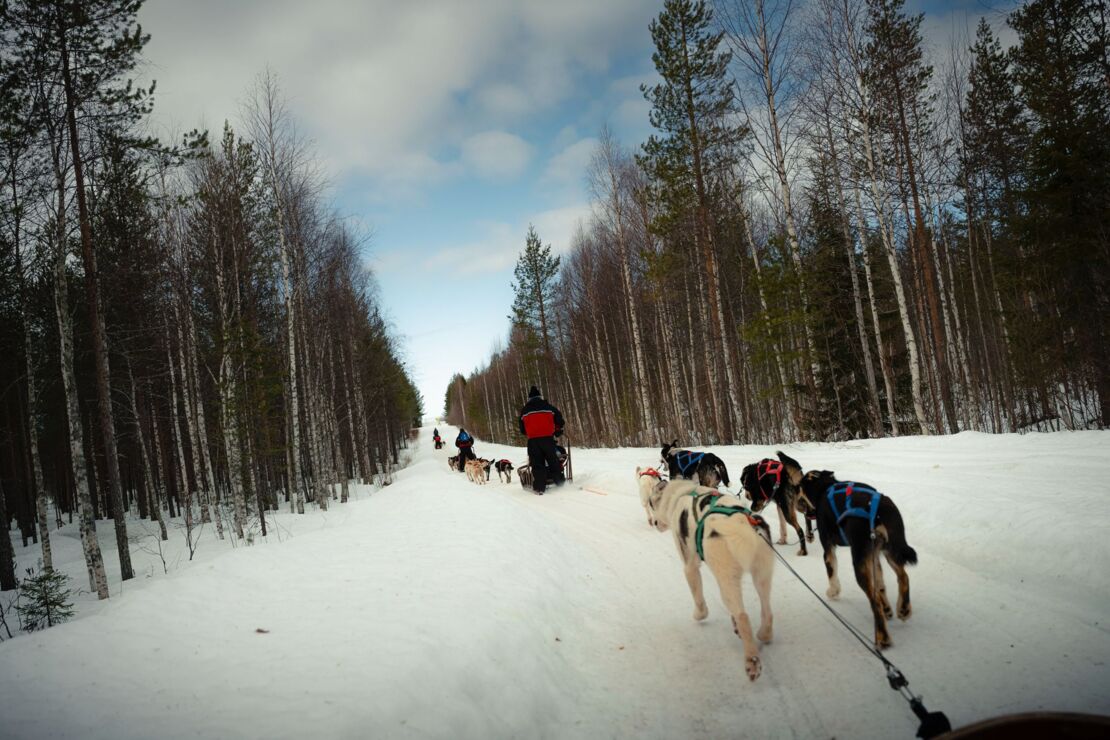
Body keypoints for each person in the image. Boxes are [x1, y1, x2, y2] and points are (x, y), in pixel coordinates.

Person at [518, 386, 565, 494]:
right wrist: (557, 430)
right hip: (548, 439)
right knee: (553, 461)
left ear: (529, 399)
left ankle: (539, 488)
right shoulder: (548, 407)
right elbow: (559, 419)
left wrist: (531, 431)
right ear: (540, 397)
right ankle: (560, 483)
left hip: (533, 441)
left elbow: (522, 429)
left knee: (537, 463)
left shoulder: (525, 410)